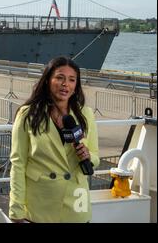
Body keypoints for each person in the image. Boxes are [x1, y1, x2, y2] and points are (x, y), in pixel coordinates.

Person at [9, 56, 99, 223]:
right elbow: (18, 164)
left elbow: (95, 156)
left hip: (77, 203)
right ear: (48, 80)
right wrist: (16, 209)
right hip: (41, 204)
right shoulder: (28, 114)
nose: (66, 84)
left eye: (72, 80)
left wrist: (88, 157)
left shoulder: (85, 114)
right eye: (59, 77)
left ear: (76, 86)